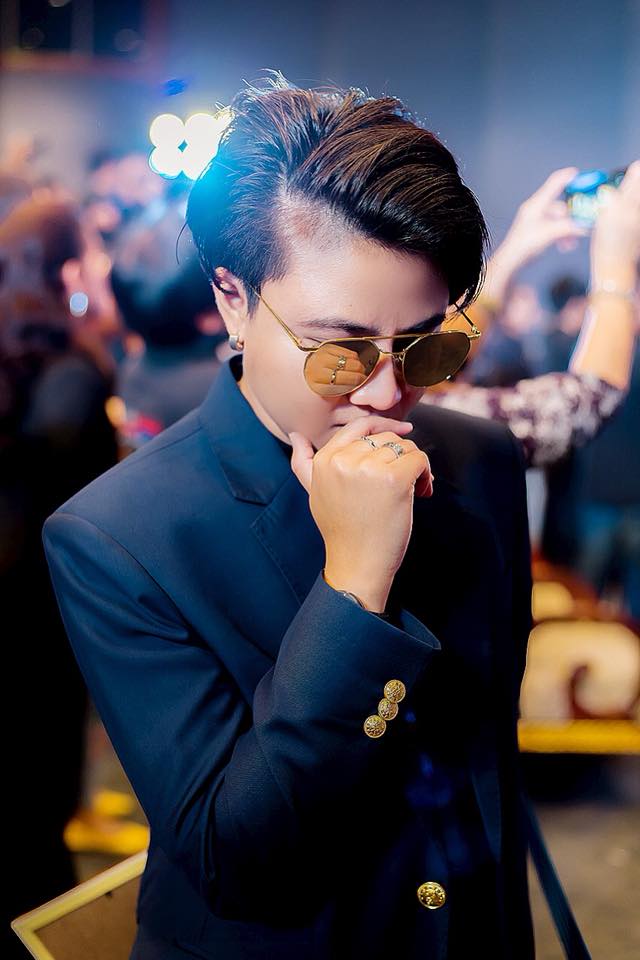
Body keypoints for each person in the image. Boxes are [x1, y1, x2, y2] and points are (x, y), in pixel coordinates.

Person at [44, 76, 537, 959]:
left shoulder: (479, 460)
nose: (387, 393)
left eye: (426, 344)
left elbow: (483, 757)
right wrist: (352, 586)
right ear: (232, 299)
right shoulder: (120, 536)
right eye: (338, 350)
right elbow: (236, 862)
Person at [1, 196, 118, 957]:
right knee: (35, 819)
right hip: (37, 621)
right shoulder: (73, 373)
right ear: (70, 270)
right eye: (95, 252)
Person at [423, 164, 640, 468]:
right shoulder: (407, 418)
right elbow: (584, 403)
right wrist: (616, 263)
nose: (389, 391)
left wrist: (514, 251)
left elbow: (435, 363)